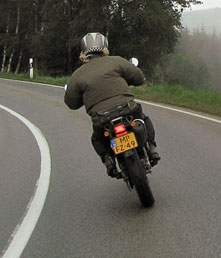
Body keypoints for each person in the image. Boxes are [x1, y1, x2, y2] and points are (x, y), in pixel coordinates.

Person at [64, 32, 160, 177]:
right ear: (105, 46)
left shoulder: (78, 75)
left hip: (102, 118)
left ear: (83, 50)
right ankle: (152, 148)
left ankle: (108, 160)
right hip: (127, 109)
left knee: (97, 138)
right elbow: (139, 78)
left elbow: (71, 103)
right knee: (143, 119)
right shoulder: (117, 61)